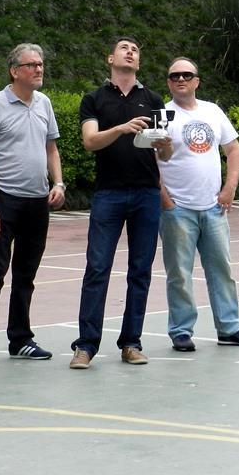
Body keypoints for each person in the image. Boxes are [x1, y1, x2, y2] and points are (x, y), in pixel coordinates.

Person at [69, 37, 173, 369]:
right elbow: (90, 141)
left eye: (136, 51)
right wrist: (122, 127)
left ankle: (131, 342)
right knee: (97, 269)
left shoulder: (152, 99)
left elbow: (163, 153)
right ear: (110, 58)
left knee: (140, 271)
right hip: (108, 194)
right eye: (124, 48)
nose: (130, 52)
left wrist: (166, 144)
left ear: (138, 63)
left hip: (145, 194)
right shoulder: (94, 99)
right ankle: (85, 346)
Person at [0, 44, 66, 368]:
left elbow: (51, 148)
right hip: (4, 200)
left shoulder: (44, 104)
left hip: (37, 202)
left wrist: (59, 183)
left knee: (26, 275)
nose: (39, 69)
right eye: (32, 65)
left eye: (41, 64)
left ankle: (20, 339)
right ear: (14, 70)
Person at [157, 57, 239, 351]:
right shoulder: (161, 114)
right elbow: (149, 159)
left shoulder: (212, 111)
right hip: (178, 210)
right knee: (179, 274)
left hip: (214, 208)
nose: (180, 79)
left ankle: (229, 327)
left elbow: (234, 149)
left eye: (186, 75)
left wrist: (229, 188)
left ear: (197, 81)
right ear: (168, 82)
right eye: (174, 75)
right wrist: (165, 199)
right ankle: (180, 331)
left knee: (221, 271)